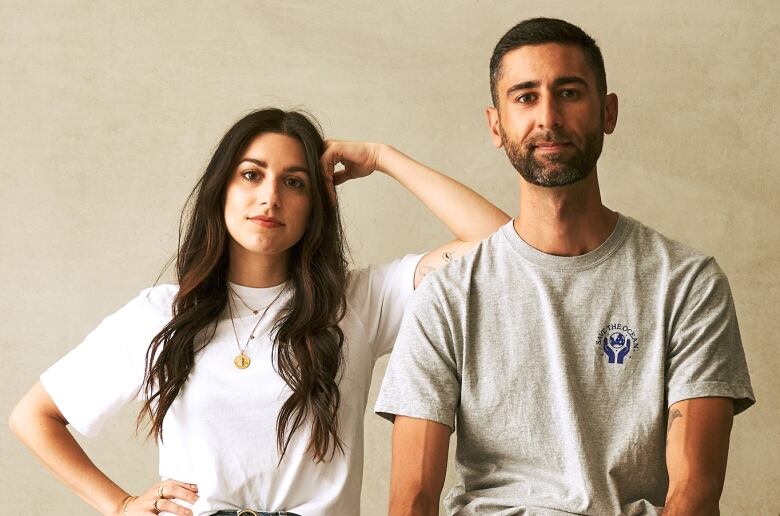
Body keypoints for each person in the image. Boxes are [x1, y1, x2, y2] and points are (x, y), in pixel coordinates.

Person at [9, 108, 510, 516]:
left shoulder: (358, 302)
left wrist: (384, 158)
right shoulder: (160, 314)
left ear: (317, 204)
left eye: (295, 182)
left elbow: (502, 246)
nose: (270, 196)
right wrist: (119, 505)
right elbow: (34, 417)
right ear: (222, 189)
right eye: (251, 174)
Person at [375, 18, 754, 515]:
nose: (548, 117)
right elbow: (412, 498)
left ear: (608, 112)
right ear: (496, 124)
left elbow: (694, 494)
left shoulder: (687, 283)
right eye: (525, 97)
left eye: (569, 92)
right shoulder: (447, 295)